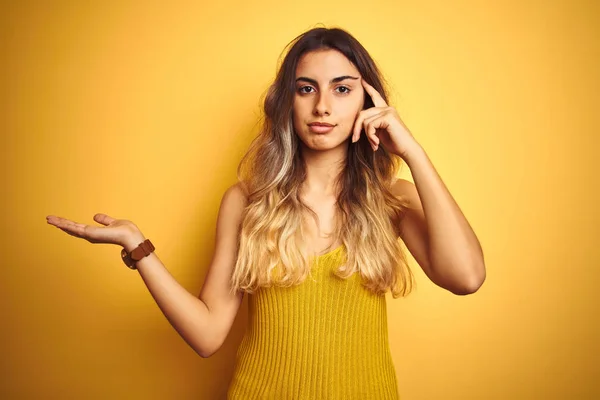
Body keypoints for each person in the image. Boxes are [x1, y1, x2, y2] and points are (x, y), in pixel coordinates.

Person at [46, 26, 486, 399]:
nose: (323, 107)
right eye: (306, 88)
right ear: (287, 102)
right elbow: (207, 335)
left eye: (343, 88)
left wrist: (413, 153)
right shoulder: (247, 201)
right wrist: (137, 249)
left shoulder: (393, 199)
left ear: (367, 103)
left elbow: (466, 278)